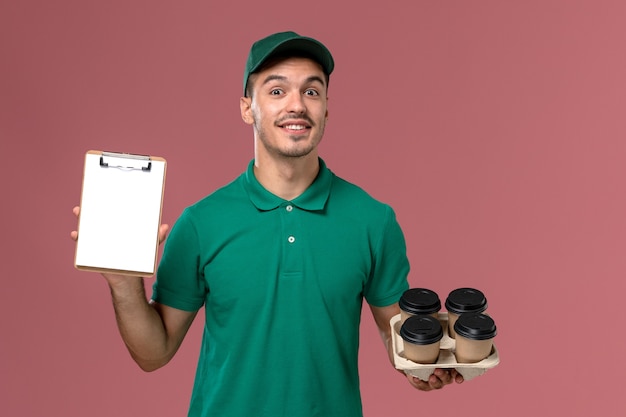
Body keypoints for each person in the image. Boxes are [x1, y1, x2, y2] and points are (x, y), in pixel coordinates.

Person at [72, 31, 463, 417]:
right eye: (277, 91)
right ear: (247, 108)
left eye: (311, 91)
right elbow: (153, 354)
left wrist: (421, 368)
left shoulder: (373, 221)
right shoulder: (200, 223)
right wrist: (125, 286)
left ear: (326, 108)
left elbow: (396, 336)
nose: (297, 105)